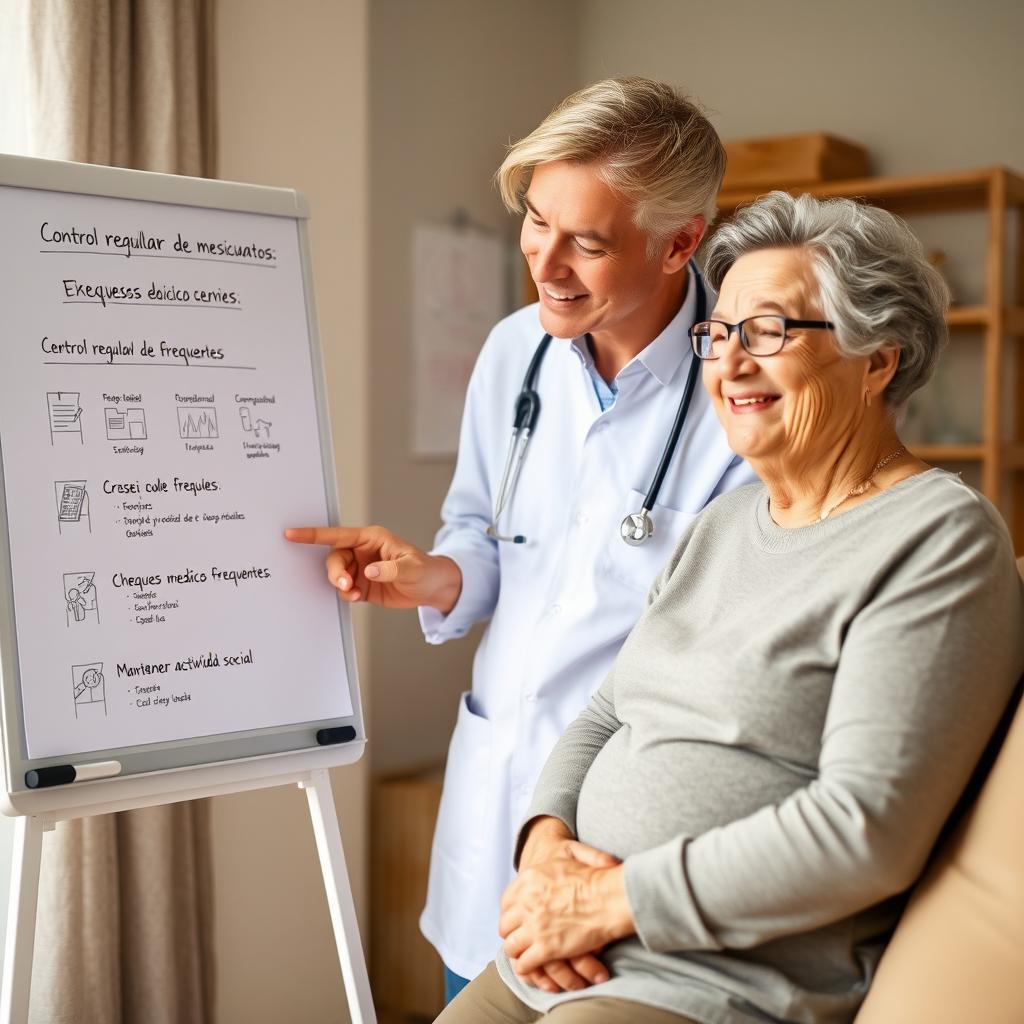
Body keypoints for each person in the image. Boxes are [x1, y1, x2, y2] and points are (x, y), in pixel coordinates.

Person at [436, 192, 1024, 1024]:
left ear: (878, 359)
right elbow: (607, 715)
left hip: (710, 986)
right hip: (570, 950)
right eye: (720, 335)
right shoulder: (725, 520)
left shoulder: (935, 537)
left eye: (771, 332)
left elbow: (863, 829)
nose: (730, 364)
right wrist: (544, 851)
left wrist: (612, 902)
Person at [285, 77, 755, 999]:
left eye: (587, 241)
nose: (546, 263)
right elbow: (489, 530)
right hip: (493, 813)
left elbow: (729, 653)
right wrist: (438, 577)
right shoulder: (514, 352)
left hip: (625, 831)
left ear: (682, 242)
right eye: (537, 221)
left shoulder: (744, 386)